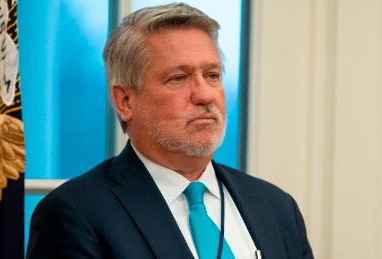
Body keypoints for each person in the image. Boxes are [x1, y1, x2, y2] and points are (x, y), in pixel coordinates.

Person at [26, 3, 314, 259]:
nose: (205, 95)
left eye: (212, 75)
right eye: (178, 78)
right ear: (125, 101)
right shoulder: (75, 214)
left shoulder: (277, 208)